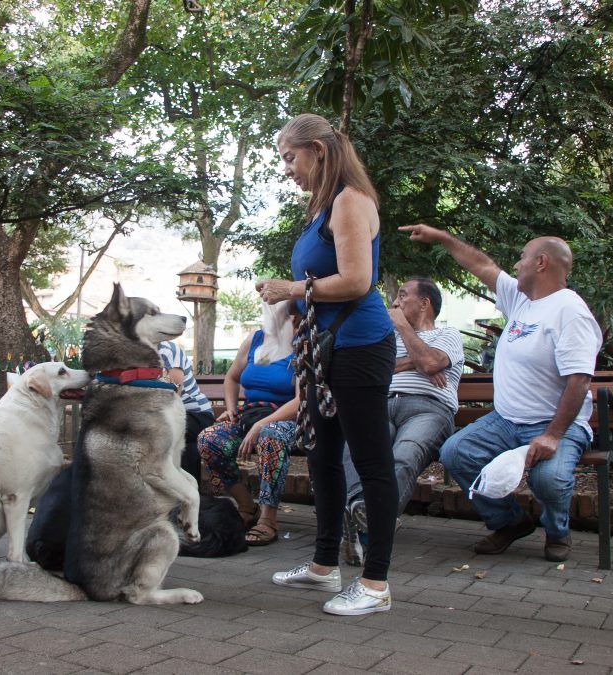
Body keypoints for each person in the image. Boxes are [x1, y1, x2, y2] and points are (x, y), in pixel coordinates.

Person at [259, 113, 396, 616]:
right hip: (323, 350)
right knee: (321, 456)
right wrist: (287, 304)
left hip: (359, 347)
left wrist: (291, 289)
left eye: (290, 158)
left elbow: (358, 281)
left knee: (371, 462)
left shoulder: (350, 201)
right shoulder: (321, 208)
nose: (287, 169)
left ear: (317, 149)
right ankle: (322, 567)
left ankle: (376, 584)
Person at [401, 223, 602, 562]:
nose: (517, 264)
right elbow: (483, 266)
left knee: (548, 479)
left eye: (522, 258)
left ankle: (557, 532)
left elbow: (579, 380)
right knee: (456, 453)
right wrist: (443, 238)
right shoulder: (522, 299)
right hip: (507, 422)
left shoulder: (570, 311)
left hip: (556, 425)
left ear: (541, 263)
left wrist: (552, 436)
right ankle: (509, 522)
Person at [339, 277, 465, 566]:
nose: (394, 303)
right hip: (380, 404)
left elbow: (432, 363)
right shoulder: (385, 337)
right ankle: (363, 520)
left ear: (425, 303)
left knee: (403, 456)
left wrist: (406, 334)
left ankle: (361, 526)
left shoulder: (448, 335)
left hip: (428, 408)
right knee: (357, 448)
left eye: (402, 296)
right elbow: (369, 371)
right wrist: (417, 361)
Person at [197, 300, 298, 547]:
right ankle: (246, 505)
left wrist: (261, 424)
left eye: (276, 311)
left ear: (293, 316)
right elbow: (232, 378)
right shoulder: (255, 339)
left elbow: (301, 401)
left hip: (287, 419)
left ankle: (268, 519)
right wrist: (231, 409)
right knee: (209, 438)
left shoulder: (303, 344)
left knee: (271, 435)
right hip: (249, 416)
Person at [158, 339, 215, 483]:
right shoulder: (135, 353)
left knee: (167, 432)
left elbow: (174, 392)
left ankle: (184, 494)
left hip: (196, 413)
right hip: (168, 416)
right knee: (186, 444)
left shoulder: (168, 350)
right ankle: (189, 495)